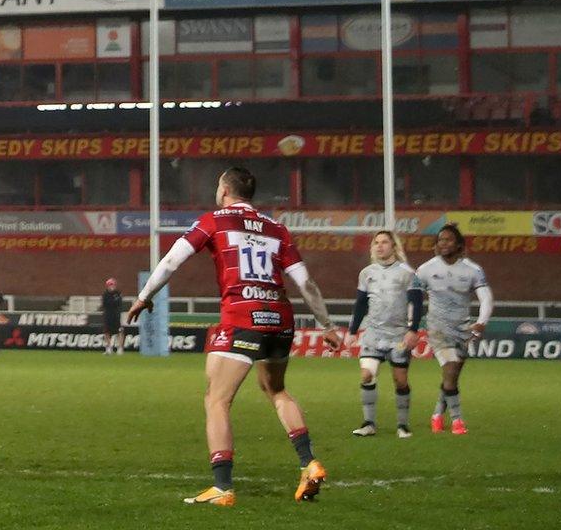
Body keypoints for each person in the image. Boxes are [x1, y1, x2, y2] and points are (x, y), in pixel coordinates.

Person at [125, 166, 341, 506]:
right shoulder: (276, 229)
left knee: (217, 399)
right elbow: (306, 283)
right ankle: (309, 463)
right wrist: (326, 326)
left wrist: (144, 296)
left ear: (225, 189)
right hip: (280, 318)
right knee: (276, 389)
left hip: (243, 314)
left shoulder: (214, 220)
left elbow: (170, 261)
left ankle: (223, 487)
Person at [416, 223, 492, 435]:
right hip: (438, 330)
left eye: (448, 240)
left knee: (452, 377)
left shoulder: (472, 270)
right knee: (450, 369)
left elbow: (486, 298)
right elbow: (413, 298)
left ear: (458, 244)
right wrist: (411, 323)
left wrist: (481, 321)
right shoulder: (426, 269)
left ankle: (437, 415)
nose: (443, 243)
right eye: (440, 240)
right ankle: (457, 421)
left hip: (463, 330)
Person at [350, 230, 423, 438]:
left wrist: (413, 330)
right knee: (366, 376)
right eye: (376, 243)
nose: (380, 246)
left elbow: (417, 303)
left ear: (394, 246)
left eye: (384, 242)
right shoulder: (366, 273)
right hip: (373, 333)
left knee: (400, 381)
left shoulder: (407, 273)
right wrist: (353, 330)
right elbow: (361, 303)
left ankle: (402, 425)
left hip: (398, 336)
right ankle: (369, 423)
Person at [100, 278, 125, 356]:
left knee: (120, 331)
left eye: (113, 284)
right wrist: (113, 302)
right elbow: (105, 304)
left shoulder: (118, 293)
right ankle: (109, 348)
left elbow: (119, 303)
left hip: (116, 315)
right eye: (110, 285)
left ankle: (120, 348)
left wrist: (113, 302)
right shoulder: (105, 294)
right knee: (107, 332)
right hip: (108, 315)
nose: (112, 286)